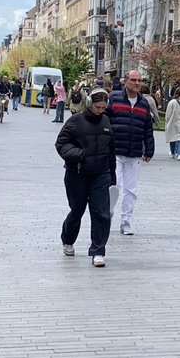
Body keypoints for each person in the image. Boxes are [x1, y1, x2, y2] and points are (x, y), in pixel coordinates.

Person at [55, 88, 116, 267]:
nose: (100, 111)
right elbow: (61, 143)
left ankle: (98, 251)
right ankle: (67, 239)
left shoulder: (106, 122)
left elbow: (111, 150)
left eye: (103, 108)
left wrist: (112, 176)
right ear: (89, 103)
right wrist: (77, 154)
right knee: (77, 210)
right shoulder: (75, 121)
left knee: (101, 213)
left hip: (101, 174)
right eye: (97, 107)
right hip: (77, 174)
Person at [105, 70, 154, 236]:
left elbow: (148, 128)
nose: (137, 83)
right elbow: (104, 119)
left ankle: (126, 221)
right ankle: (107, 216)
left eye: (139, 80)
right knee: (115, 186)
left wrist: (149, 149)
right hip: (115, 151)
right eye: (133, 80)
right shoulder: (114, 98)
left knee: (131, 190)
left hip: (134, 153)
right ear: (125, 81)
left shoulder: (144, 103)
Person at [165, 89, 180, 160]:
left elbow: (168, 114)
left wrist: (167, 122)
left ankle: (173, 153)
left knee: (172, 138)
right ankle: (179, 155)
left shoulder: (171, 102)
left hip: (172, 122)